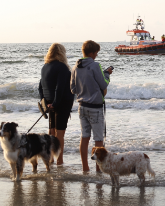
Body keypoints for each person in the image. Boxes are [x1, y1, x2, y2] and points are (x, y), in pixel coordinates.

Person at [71, 40, 113, 172]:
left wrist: (84, 87)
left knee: (85, 137)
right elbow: (104, 84)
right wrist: (107, 74)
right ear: (92, 53)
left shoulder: (75, 67)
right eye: (96, 53)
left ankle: (85, 168)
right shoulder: (95, 66)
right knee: (98, 139)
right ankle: (99, 169)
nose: (96, 56)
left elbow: (72, 89)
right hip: (95, 107)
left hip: (82, 106)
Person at [38, 43, 75, 165]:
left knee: (51, 130)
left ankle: (50, 158)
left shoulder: (45, 67)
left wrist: (45, 101)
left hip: (50, 102)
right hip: (62, 102)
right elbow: (59, 88)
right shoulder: (62, 67)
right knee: (60, 133)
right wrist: (56, 103)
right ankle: (60, 160)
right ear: (61, 53)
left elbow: (40, 87)